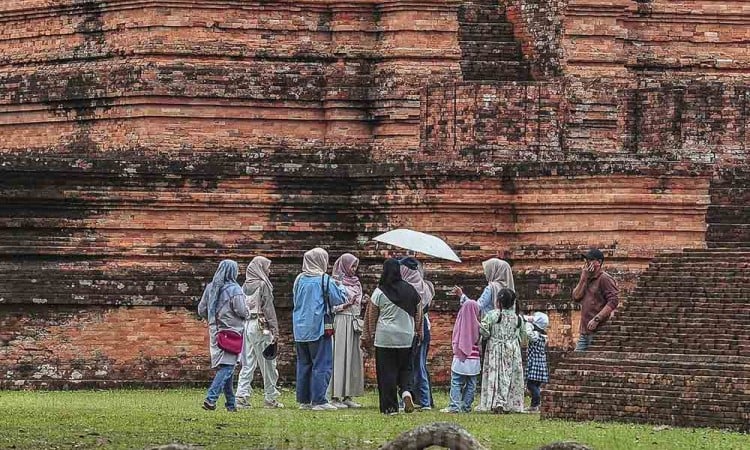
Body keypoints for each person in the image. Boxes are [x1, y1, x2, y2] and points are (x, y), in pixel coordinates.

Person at [362, 258, 423, 415]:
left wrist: (368, 336)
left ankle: (390, 407)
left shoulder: (380, 292)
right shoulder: (411, 290)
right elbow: (419, 313)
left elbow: (371, 316)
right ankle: (406, 392)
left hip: (385, 338)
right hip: (406, 337)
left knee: (386, 372)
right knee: (406, 369)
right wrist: (418, 331)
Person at [292, 248, 348, 411]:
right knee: (322, 363)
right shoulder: (325, 280)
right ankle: (319, 399)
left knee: (304, 363)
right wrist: (340, 286)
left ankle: (304, 400)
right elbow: (338, 299)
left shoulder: (299, 279)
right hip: (318, 326)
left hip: (300, 327)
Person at [197, 259, 250, 412]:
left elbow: (201, 310)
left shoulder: (211, 288)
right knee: (228, 366)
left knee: (228, 366)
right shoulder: (235, 289)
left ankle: (231, 404)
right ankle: (211, 398)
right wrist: (249, 311)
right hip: (232, 333)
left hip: (215, 332)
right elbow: (241, 311)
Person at [236, 256, 283, 409]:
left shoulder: (244, 286)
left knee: (248, 362)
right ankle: (270, 397)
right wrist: (275, 330)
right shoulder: (263, 285)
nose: (269, 271)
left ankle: (242, 395)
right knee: (268, 363)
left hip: (247, 324)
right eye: (267, 267)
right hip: (261, 325)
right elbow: (269, 309)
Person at [475, 288, 526, 413]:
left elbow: (484, 332)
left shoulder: (493, 315)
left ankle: (496, 401)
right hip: (512, 349)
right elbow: (523, 337)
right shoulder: (518, 318)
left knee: (496, 374)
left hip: (495, 349)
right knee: (510, 376)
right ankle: (509, 402)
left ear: (498, 301)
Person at [328, 253, 365, 409]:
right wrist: (345, 305)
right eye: (352, 266)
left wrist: (362, 301)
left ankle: (348, 394)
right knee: (340, 356)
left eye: (356, 266)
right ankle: (335, 395)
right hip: (342, 320)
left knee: (353, 357)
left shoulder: (356, 283)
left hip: (354, 321)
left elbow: (357, 302)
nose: (354, 269)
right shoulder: (335, 282)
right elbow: (331, 306)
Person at [399, 257, 434, 410]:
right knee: (420, 364)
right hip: (424, 326)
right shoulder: (425, 286)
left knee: (408, 364)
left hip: (412, 326)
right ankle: (424, 400)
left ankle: (415, 398)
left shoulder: (406, 287)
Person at [572, 248, 619, 351]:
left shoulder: (604, 279)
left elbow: (613, 301)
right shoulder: (586, 279)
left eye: (591, 260)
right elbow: (576, 297)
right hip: (585, 332)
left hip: (599, 331)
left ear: (599, 262)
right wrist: (583, 279)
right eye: (586, 260)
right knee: (577, 361)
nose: (587, 263)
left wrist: (597, 319)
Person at [441, 299, 481, 413]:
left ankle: (454, 406)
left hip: (460, 357)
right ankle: (466, 406)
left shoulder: (460, 322)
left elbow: (455, 338)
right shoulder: (478, 325)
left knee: (456, 382)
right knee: (471, 384)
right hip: (474, 358)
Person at [523, 312, 549, 413]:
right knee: (536, 385)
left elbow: (529, 334)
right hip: (540, 363)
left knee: (531, 385)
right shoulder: (543, 336)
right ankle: (535, 404)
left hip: (535, 363)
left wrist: (529, 323)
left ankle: (536, 404)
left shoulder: (537, 335)